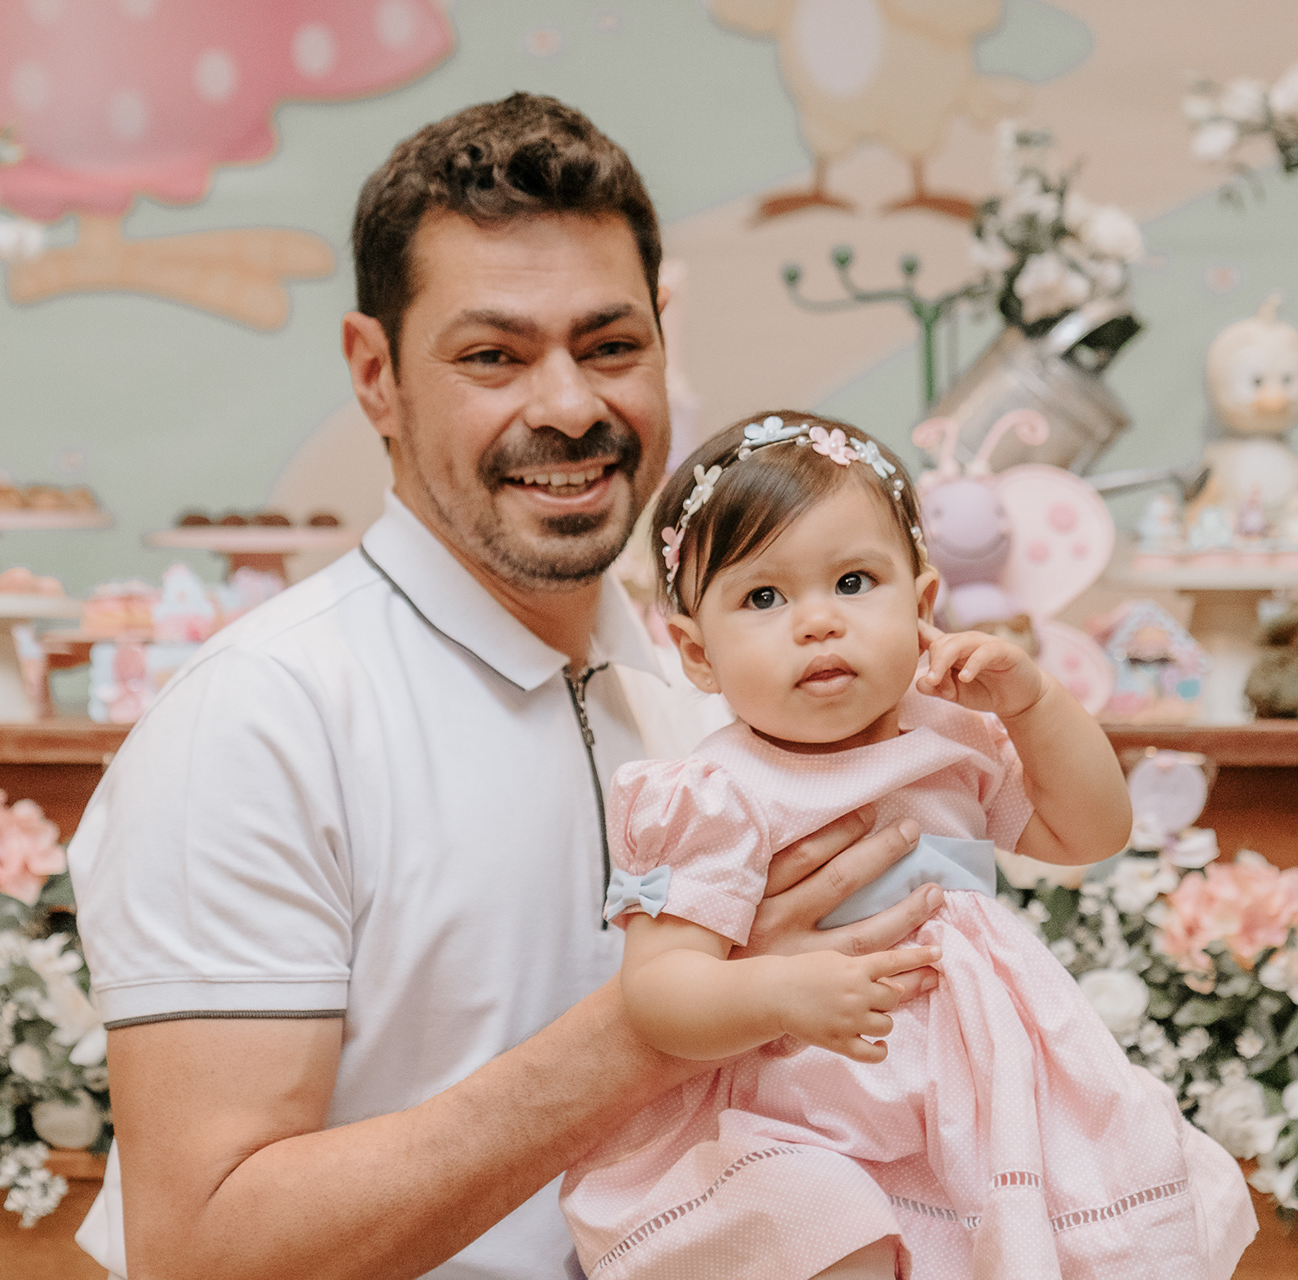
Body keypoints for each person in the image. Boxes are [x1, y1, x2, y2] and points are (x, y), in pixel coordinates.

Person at [67, 95, 952, 1280]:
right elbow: (203, 1250)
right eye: (494, 356)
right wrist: (659, 1021)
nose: (571, 406)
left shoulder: (719, 693)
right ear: (375, 375)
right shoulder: (259, 719)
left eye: (611, 345)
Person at [560, 413, 1257, 1279]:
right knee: (829, 1225)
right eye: (764, 598)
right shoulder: (716, 794)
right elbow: (660, 989)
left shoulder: (954, 740)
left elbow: (1092, 830)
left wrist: (1036, 707)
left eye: (854, 581)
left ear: (922, 606)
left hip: (972, 1091)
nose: (818, 622)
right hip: (797, 1103)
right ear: (698, 654)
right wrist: (780, 991)